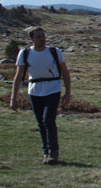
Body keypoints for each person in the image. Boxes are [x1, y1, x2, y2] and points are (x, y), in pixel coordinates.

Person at [10, 27, 71, 164]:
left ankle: (53, 152)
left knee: (48, 120)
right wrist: (13, 98)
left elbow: (65, 73)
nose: (42, 39)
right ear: (31, 39)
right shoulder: (24, 54)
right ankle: (46, 152)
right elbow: (18, 76)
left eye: (43, 36)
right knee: (41, 123)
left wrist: (68, 92)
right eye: (38, 37)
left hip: (53, 88)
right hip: (35, 90)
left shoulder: (55, 52)